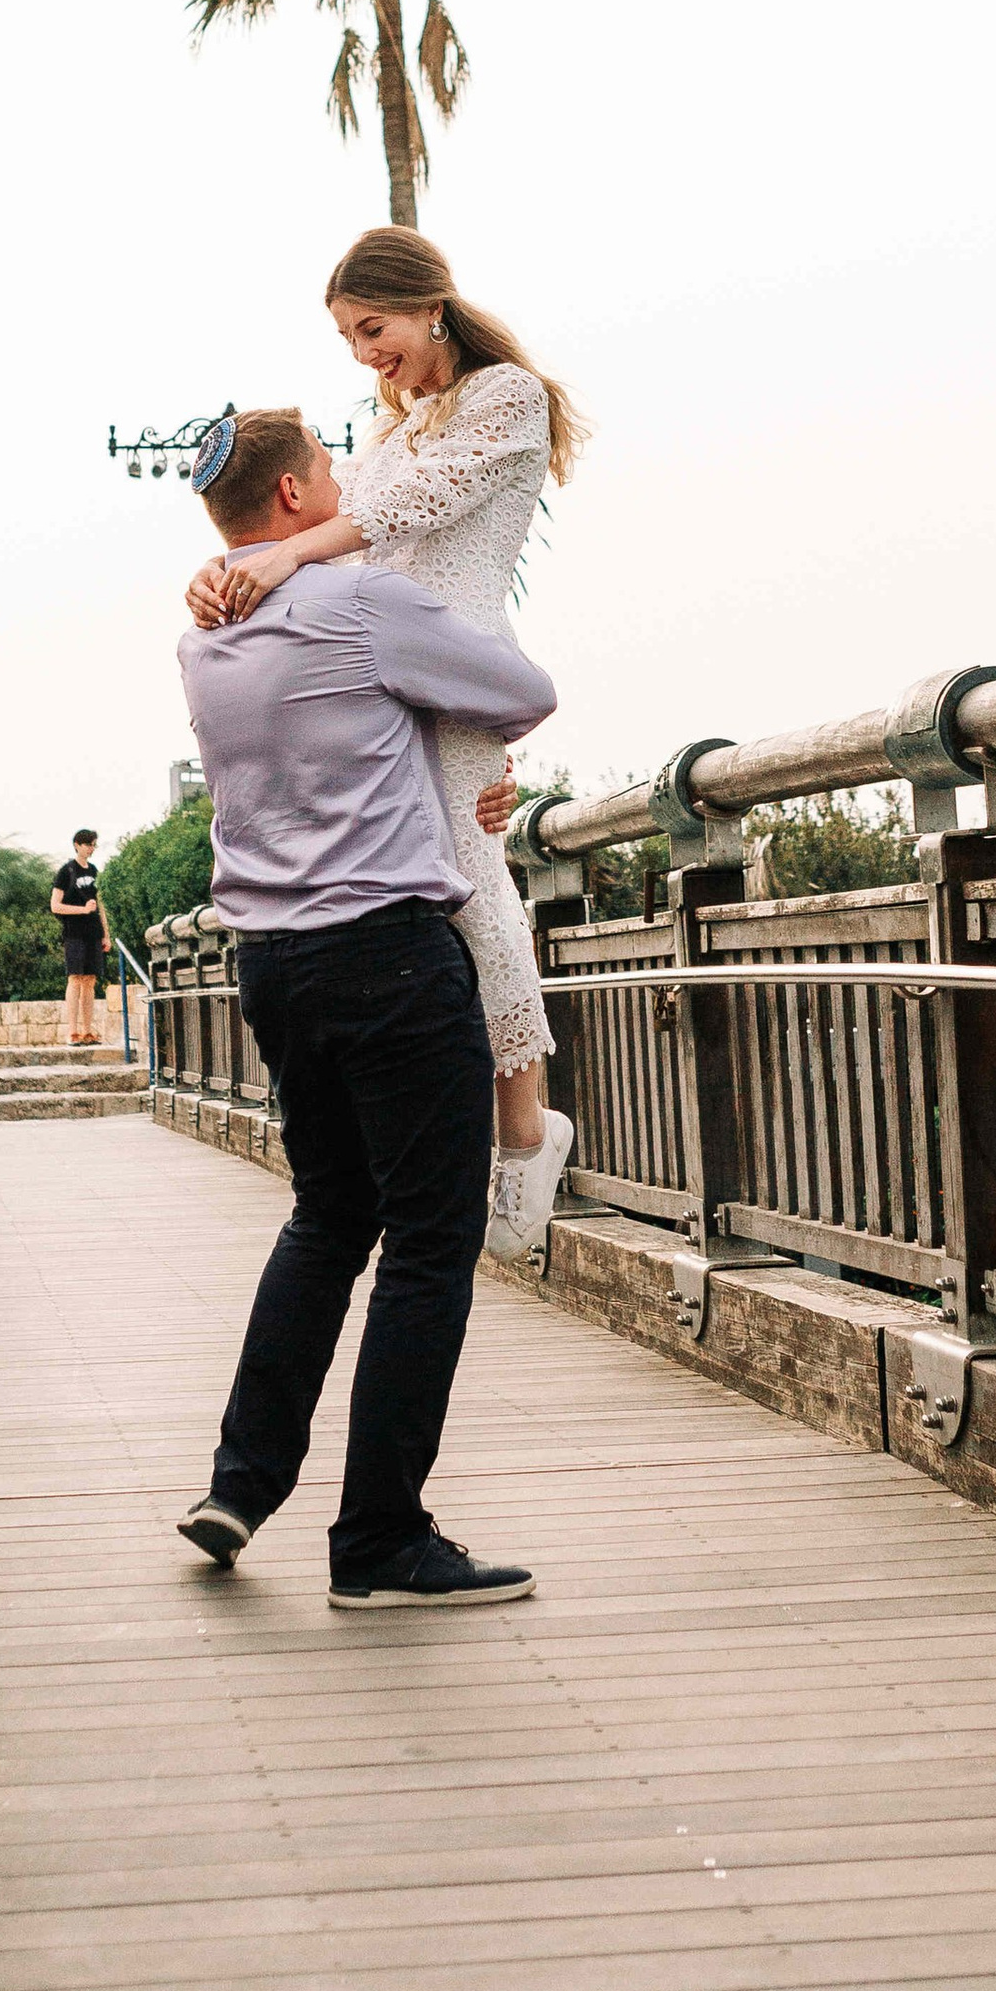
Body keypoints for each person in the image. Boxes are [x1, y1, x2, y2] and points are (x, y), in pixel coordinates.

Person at [173, 407, 556, 1607]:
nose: (345, 489)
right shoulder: (361, 603)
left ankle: (240, 1483)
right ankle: (380, 1540)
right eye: (330, 473)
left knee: (329, 1216)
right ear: (293, 499)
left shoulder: (199, 639)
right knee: (430, 1243)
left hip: (272, 964)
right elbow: (522, 690)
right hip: (388, 950)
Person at [188, 227, 580, 1258]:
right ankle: (465, 1132)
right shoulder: (395, 423)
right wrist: (230, 570)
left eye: (375, 328)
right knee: (419, 886)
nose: (366, 352)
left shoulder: (508, 398)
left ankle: (524, 1138)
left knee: (464, 874)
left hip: (449, 664)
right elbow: (336, 510)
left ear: (429, 305)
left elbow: (404, 510)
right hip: (386, 671)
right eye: (349, 338)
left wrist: (280, 563)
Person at [50, 829, 107, 1045]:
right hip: (74, 932)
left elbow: (100, 905)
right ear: (77, 845)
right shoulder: (66, 871)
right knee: (75, 978)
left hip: (93, 932)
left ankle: (87, 1030)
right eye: (88, 844)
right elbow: (55, 905)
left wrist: (106, 934)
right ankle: (72, 1031)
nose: (91, 849)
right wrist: (81, 910)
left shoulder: (94, 871)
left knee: (90, 980)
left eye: (93, 845)